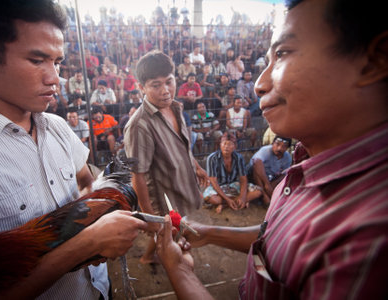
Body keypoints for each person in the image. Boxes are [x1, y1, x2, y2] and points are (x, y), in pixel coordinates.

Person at [156, 0, 388, 298]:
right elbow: (275, 236)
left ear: (374, 60)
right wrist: (208, 232)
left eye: (282, 54)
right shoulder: (303, 165)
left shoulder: (371, 236)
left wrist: (180, 271)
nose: (260, 84)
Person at [0, 1, 147, 299]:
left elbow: (87, 180)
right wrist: (87, 243)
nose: (55, 78)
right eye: (37, 60)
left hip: (96, 288)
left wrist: (99, 212)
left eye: (57, 61)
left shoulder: (57, 126)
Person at [124, 50, 209, 264]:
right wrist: (149, 216)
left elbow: (182, 146)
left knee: (171, 228)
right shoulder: (139, 125)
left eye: (169, 82)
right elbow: (138, 176)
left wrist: (196, 167)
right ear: (141, 88)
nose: (165, 90)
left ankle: (149, 255)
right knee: (166, 229)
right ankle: (148, 257)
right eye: (155, 85)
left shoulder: (176, 107)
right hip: (162, 195)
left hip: (179, 185)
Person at [203, 132, 262, 213]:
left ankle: (225, 205)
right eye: (224, 143)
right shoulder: (212, 158)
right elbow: (214, 182)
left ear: (235, 146)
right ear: (220, 145)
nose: (226, 147)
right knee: (213, 199)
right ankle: (232, 202)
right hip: (218, 187)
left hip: (233, 185)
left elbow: (243, 179)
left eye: (230, 144)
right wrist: (227, 199)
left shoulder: (239, 158)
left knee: (258, 191)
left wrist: (243, 197)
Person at [247, 136, 292, 205]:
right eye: (277, 144)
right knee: (256, 167)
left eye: (284, 146)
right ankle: (264, 195)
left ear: (287, 148)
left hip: (270, 179)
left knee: (283, 177)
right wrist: (267, 185)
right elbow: (256, 162)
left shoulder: (287, 157)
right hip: (255, 178)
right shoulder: (266, 150)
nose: (279, 148)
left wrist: (271, 185)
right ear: (272, 143)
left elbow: (283, 174)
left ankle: (269, 196)